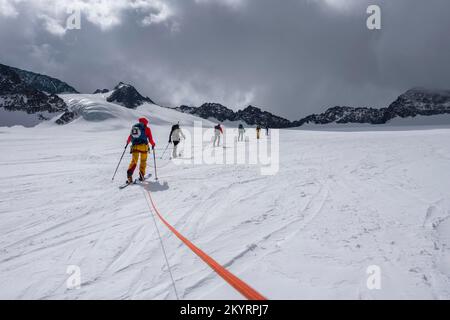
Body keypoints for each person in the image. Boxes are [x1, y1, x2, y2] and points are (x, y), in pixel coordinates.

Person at [126, 117, 156, 184]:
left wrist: (127, 143)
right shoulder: (147, 129)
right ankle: (141, 175)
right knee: (143, 161)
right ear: (146, 122)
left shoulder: (134, 128)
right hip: (143, 147)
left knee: (134, 161)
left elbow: (130, 137)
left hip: (134, 147)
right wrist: (153, 144)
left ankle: (129, 175)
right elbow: (150, 139)